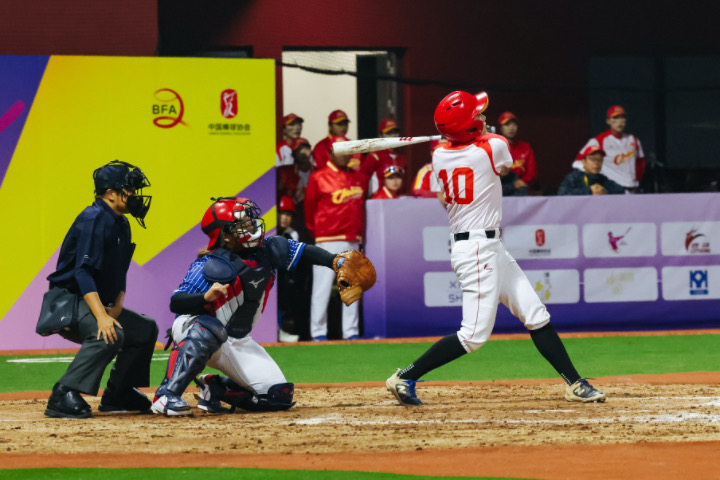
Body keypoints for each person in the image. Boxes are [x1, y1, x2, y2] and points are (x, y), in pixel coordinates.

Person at [386, 91, 606, 406]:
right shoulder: (493, 146)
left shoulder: (440, 154)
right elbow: (501, 160)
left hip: (487, 246)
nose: (483, 117)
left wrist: (464, 131)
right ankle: (405, 376)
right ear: (466, 127)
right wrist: (473, 132)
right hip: (477, 250)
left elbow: (468, 143)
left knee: (535, 313)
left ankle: (575, 383)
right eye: (477, 115)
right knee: (473, 336)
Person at [151, 196, 366, 415]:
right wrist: (204, 297)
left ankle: (215, 388)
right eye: (240, 224)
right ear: (225, 235)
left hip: (236, 339)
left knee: (277, 395)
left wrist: (336, 261)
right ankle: (166, 395)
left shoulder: (268, 250)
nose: (249, 226)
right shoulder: (209, 264)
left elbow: (304, 252)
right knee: (210, 328)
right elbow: (177, 302)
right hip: (194, 329)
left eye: (248, 221)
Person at [41, 160, 158, 418]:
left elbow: (120, 268)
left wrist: (117, 304)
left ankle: (119, 393)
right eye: (130, 190)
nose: (136, 196)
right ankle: (62, 393)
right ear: (111, 193)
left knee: (144, 328)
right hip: (68, 301)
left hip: (95, 301)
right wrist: (102, 316)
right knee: (106, 332)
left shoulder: (121, 223)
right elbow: (82, 272)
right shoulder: (93, 218)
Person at [305, 137, 368, 341]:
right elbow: (309, 209)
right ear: (331, 153)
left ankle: (351, 331)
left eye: (348, 150)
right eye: (340, 151)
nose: (345, 155)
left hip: (352, 238)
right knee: (322, 288)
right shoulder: (318, 177)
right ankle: (318, 332)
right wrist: (317, 232)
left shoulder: (358, 177)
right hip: (327, 238)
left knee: (352, 286)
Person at [572, 105, 645, 192]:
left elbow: (640, 164)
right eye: (615, 118)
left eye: (622, 117)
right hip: (612, 190)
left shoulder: (633, 140)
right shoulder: (599, 140)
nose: (619, 121)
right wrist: (596, 179)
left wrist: (637, 181)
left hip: (632, 189)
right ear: (608, 121)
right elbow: (577, 163)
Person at [362, 119, 407, 196]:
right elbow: (363, 181)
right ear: (381, 135)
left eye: (395, 132)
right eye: (389, 133)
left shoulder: (401, 157)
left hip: (397, 199)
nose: (393, 136)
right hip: (379, 199)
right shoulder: (374, 157)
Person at [276, 196, 300, 342]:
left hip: (283, 274)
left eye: (288, 215)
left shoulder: (292, 233)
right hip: (267, 272)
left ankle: (280, 331)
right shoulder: (270, 229)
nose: (285, 218)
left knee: (282, 303)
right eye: (282, 213)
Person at [558, 145, 626, 195]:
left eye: (599, 160)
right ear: (584, 162)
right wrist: (589, 191)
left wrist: (606, 192)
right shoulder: (573, 178)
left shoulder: (603, 180)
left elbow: (621, 191)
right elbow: (562, 194)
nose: (596, 163)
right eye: (592, 159)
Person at [498, 111, 538, 186]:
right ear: (501, 128)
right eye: (507, 124)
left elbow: (532, 172)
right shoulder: (495, 147)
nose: (511, 128)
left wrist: (523, 181)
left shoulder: (525, 147)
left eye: (514, 124)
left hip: (521, 187)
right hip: (501, 186)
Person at [412, 139, 447, 203]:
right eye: (438, 150)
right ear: (432, 153)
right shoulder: (427, 170)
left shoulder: (461, 167)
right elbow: (417, 192)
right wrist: (436, 195)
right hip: (435, 206)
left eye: (446, 149)